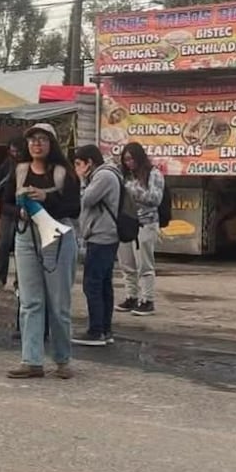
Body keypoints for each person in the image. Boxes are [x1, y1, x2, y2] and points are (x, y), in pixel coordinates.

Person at [7, 123, 80, 380]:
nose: (36, 144)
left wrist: (46, 199)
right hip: (26, 236)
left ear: (51, 144)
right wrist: (21, 208)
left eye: (42, 140)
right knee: (30, 301)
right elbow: (4, 202)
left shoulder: (64, 173)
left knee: (59, 303)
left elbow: (74, 208)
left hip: (57, 238)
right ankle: (31, 360)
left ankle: (62, 360)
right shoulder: (19, 171)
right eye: (32, 140)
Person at [71, 144, 122, 347]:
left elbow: (87, 199)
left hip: (102, 236)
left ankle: (96, 330)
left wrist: (83, 179)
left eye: (78, 164)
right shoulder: (108, 174)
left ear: (89, 162)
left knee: (93, 284)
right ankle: (105, 329)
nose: (77, 168)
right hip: (105, 235)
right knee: (103, 284)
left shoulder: (103, 176)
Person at [117, 142, 164, 317]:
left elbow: (155, 198)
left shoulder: (153, 173)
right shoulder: (124, 175)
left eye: (131, 159)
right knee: (126, 263)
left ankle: (147, 299)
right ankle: (131, 296)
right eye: (126, 159)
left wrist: (131, 190)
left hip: (146, 222)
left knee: (144, 263)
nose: (129, 163)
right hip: (126, 222)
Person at [0, 137, 26, 294]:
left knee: (22, 249)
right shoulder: (6, 165)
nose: (15, 154)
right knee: (2, 246)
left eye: (17, 151)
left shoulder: (29, 165)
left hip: (25, 211)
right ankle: (0, 279)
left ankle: (20, 283)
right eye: (12, 151)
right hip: (7, 209)